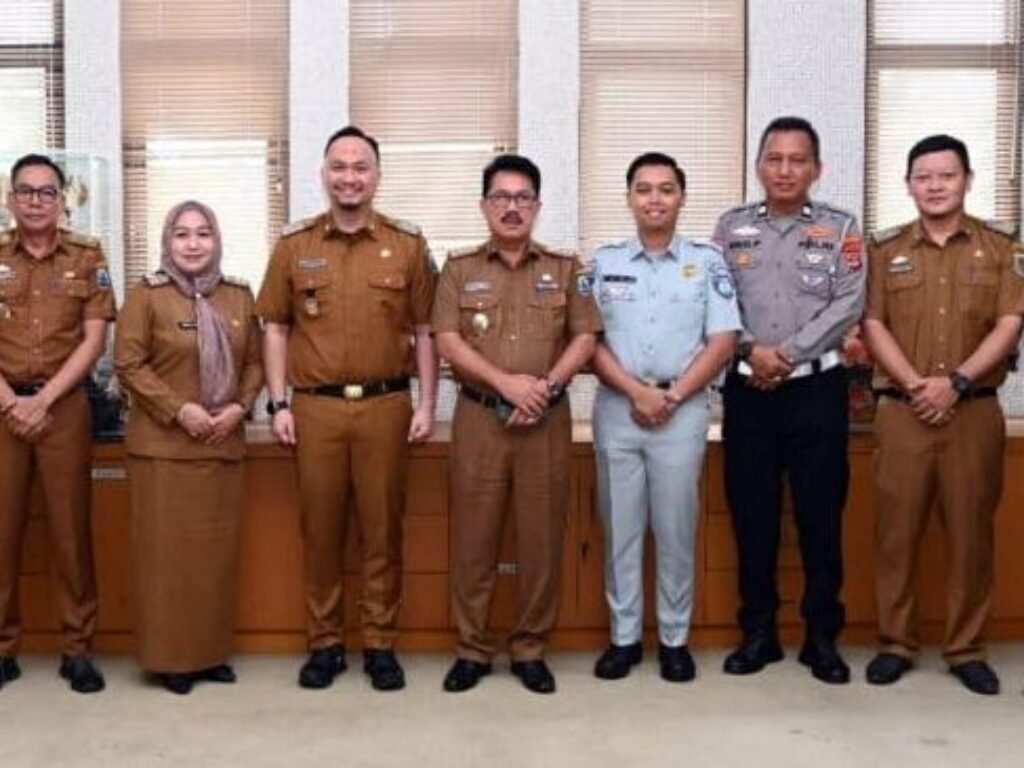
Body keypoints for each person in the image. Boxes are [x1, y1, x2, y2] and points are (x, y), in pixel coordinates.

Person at [256, 126, 437, 692]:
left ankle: (381, 645)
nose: (350, 177)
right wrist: (279, 402)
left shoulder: (407, 245)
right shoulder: (295, 245)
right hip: (315, 411)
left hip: (386, 405)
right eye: (340, 166)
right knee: (322, 531)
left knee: (384, 532)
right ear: (324, 174)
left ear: (377, 176)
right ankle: (325, 644)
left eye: (361, 167)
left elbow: (427, 331)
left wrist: (427, 403)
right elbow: (276, 327)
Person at [432, 154, 601, 694]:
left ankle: (530, 648)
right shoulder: (458, 269)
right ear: (484, 205)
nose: (511, 207)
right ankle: (472, 650)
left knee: (541, 540)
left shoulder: (566, 267)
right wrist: (506, 384)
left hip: (545, 423)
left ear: (537, 206)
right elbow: (447, 340)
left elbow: (585, 337)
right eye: (501, 197)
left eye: (522, 198)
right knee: (474, 541)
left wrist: (546, 387)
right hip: (481, 418)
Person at [862, 134, 1024, 696]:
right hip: (902, 411)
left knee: (970, 534)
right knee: (895, 534)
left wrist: (955, 383)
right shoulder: (884, 250)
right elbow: (872, 323)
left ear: (968, 180)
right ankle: (896, 643)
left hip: (973, 411)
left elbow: (1010, 323)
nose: (934, 185)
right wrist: (914, 384)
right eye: (923, 176)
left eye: (945, 175)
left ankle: (965, 648)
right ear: (908, 184)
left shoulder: (1002, 247)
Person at [713, 117, 866, 684]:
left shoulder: (840, 227)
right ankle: (759, 633)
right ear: (758, 166)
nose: (784, 169)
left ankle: (822, 636)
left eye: (797, 159)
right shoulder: (731, 229)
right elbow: (717, 299)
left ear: (816, 169)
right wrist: (754, 352)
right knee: (752, 518)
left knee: (820, 517)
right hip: (748, 394)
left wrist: (789, 355)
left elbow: (848, 304)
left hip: (817, 393)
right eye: (774, 158)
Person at [589, 152, 740, 683]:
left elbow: (723, 340)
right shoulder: (603, 263)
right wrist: (636, 391)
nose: (655, 198)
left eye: (666, 189)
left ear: (682, 197)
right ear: (629, 197)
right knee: (621, 530)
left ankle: (675, 639)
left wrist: (671, 397)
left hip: (681, 413)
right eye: (644, 189)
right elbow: (590, 343)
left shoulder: (708, 261)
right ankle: (624, 638)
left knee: (676, 531)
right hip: (618, 411)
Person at [115, 201, 263, 695]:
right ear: (168, 242)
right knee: (168, 563)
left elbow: (256, 364)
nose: (194, 243)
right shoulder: (146, 296)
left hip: (222, 446)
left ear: (217, 240)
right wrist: (180, 409)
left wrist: (241, 407)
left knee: (213, 561)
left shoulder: (240, 297)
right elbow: (129, 364)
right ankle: (172, 659)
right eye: (182, 235)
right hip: (164, 452)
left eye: (203, 234)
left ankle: (210, 653)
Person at [0, 153, 116, 694]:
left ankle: (78, 650)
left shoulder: (88, 256)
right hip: (1, 408)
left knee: (71, 532)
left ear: (62, 199)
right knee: (2, 534)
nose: (36, 201)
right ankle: (3, 648)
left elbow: (95, 339)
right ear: (10, 199)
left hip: (64, 407)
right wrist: (10, 402)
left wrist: (42, 399)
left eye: (47, 192)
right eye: (26, 191)